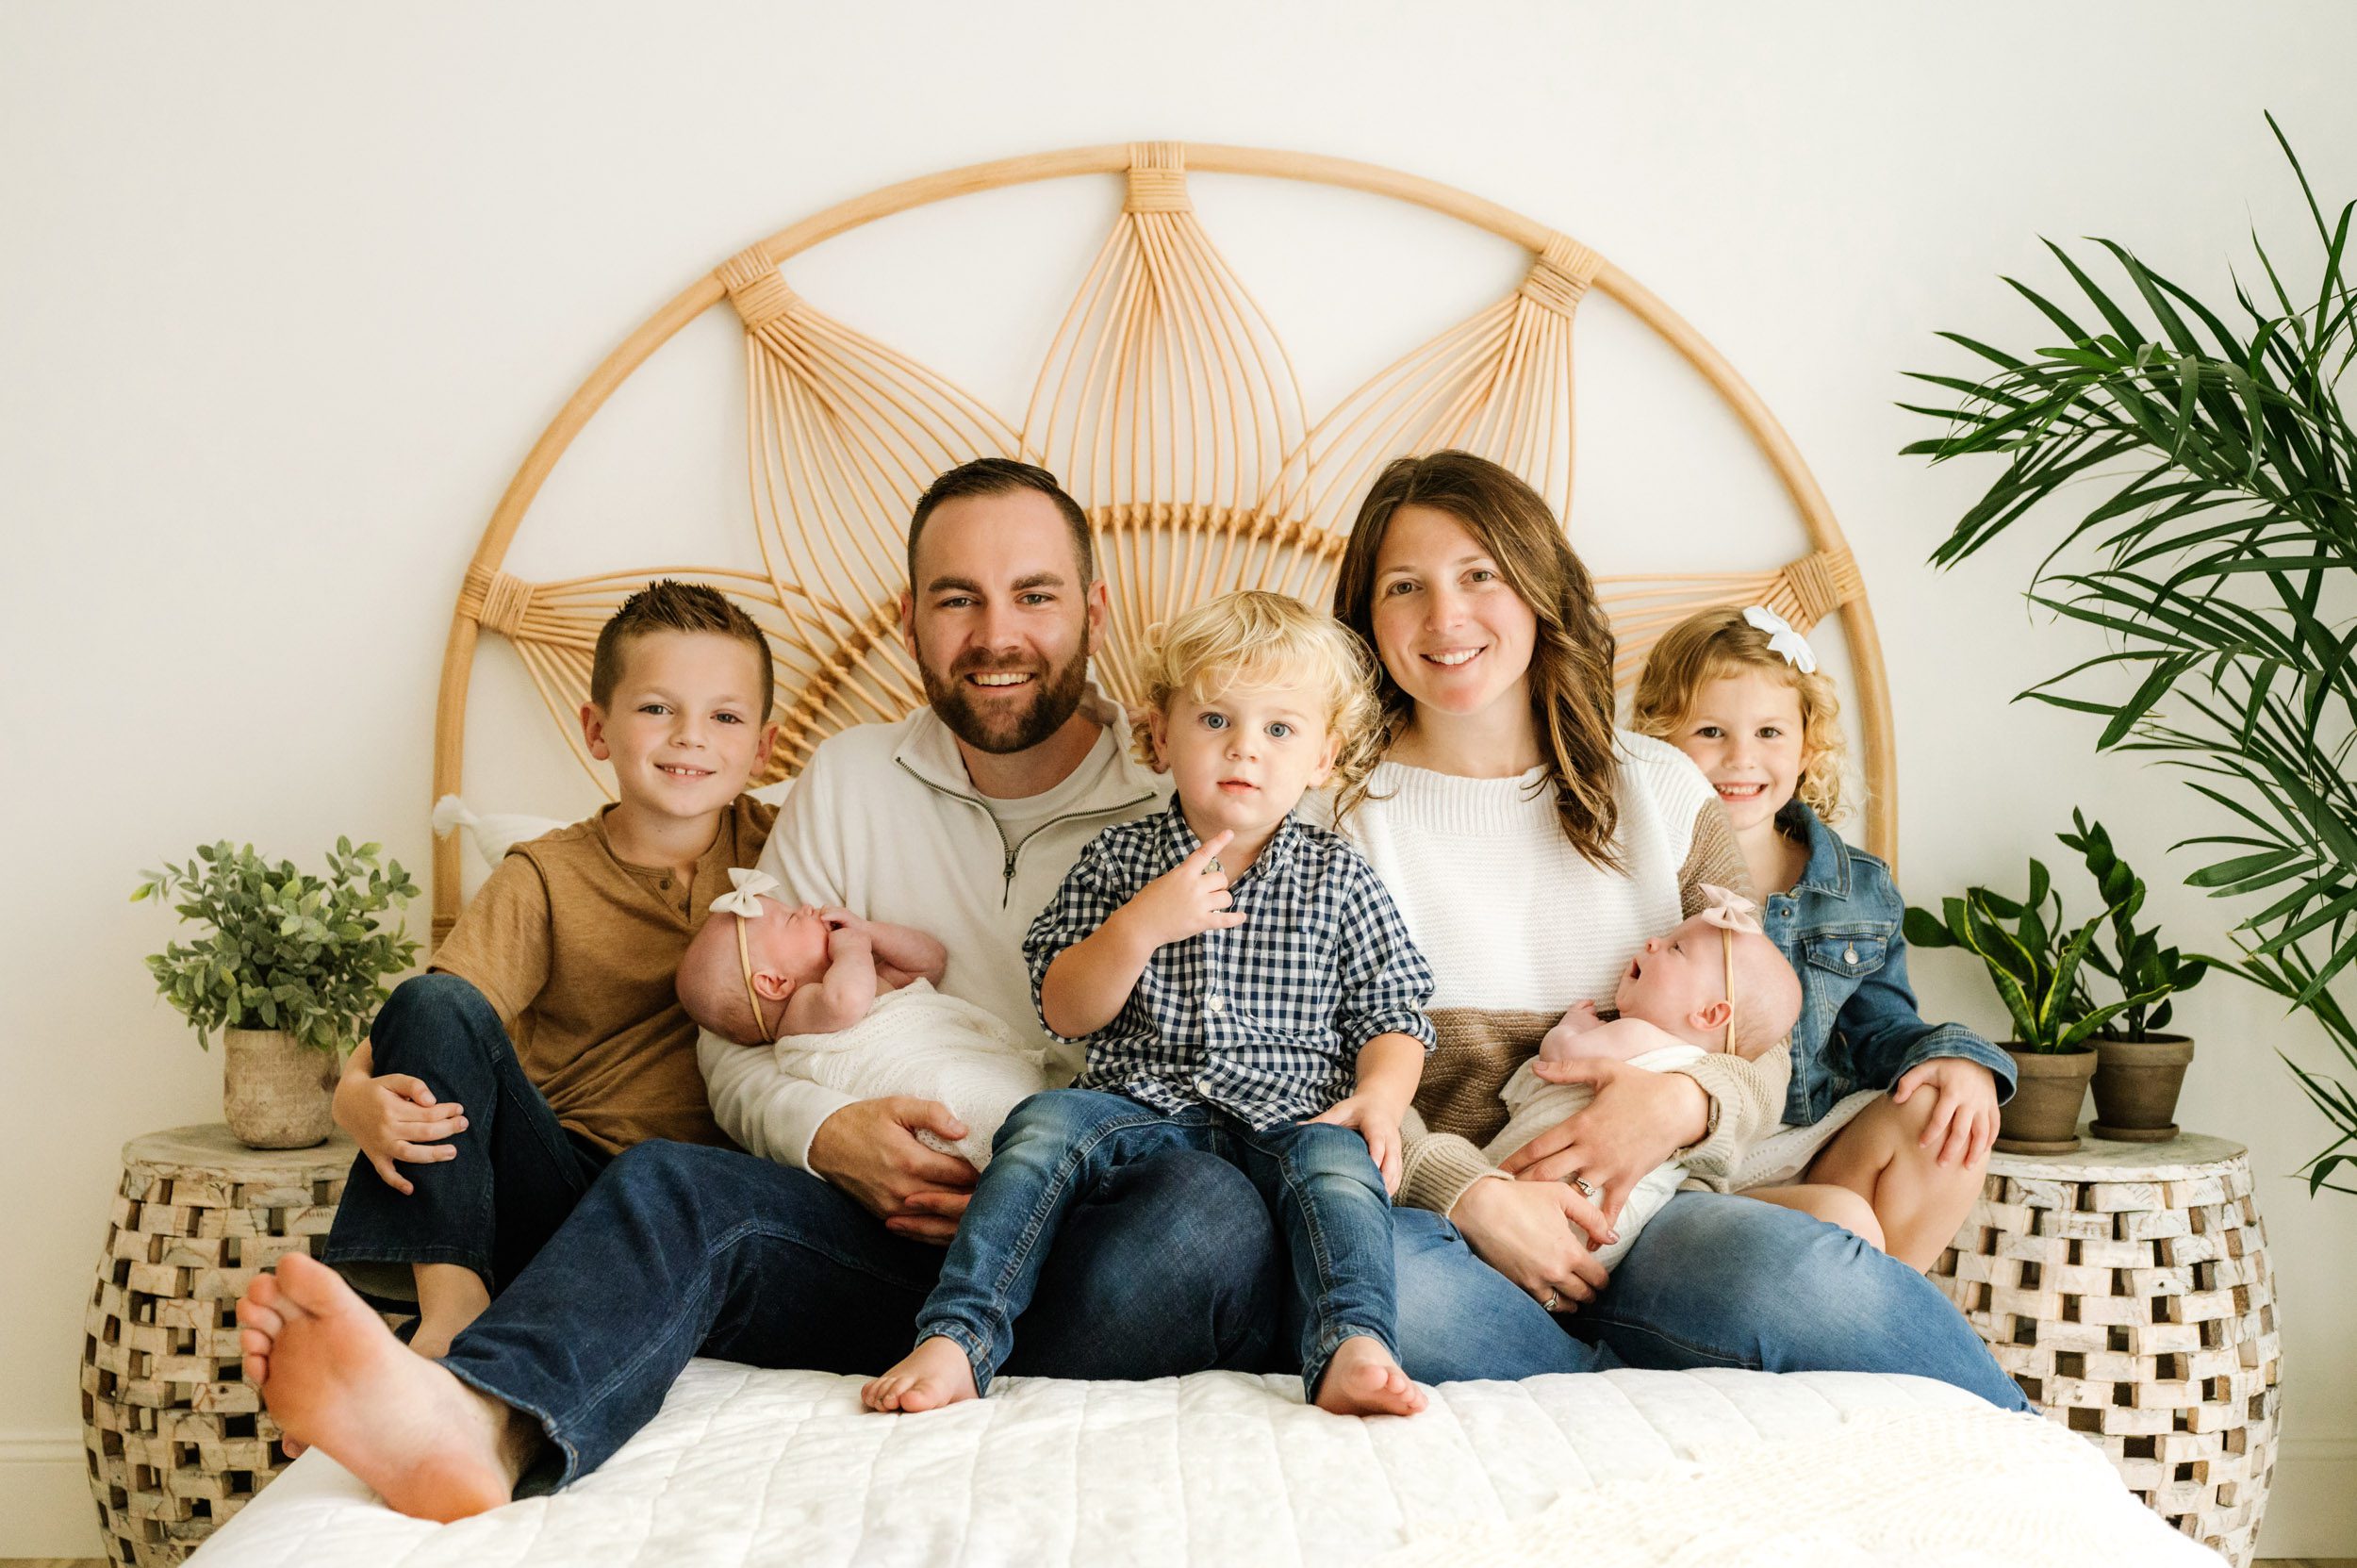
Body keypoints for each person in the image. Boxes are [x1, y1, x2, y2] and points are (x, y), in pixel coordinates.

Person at [235, 458, 1290, 1523]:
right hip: (881, 1250)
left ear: (1094, 611)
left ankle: (988, 1337)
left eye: (1035, 594)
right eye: (956, 597)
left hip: (1090, 1239)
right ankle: (476, 1418)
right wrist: (828, 1132)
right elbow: (733, 1033)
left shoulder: (1196, 785)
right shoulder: (847, 781)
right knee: (671, 1184)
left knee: (1208, 1219)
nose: (994, 632)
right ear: (913, 619)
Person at [1324, 450, 2027, 1411]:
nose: (1445, 619)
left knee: (1811, 1276)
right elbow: (1314, 1071)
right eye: (1404, 587)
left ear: (1539, 587)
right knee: (1387, 1293)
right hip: (1448, 1226)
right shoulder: (1334, 812)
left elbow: (1759, 1026)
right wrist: (1473, 1197)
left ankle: (2023, 1454)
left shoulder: (1659, 787)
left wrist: (1684, 1105)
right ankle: (1621, 1395)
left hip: (1658, 1218)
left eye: (1480, 575)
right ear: (1366, 617)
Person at [865, 592, 1436, 1418]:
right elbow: (1063, 1007)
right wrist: (1138, 928)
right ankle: (959, 1333)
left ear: (1324, 757)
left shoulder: (1339, 876)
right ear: (1161, 735)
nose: (1244, 748)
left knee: (1343, 1171)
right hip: (1142, 1105)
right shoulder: (1120, 857)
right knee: (1040, 1126)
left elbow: (1394, 1008)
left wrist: (1382, 1098)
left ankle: (1351, 1341)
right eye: (1214, 719)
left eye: (1280, 729)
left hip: (1289, 1111)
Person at [319, 581, 780, 1357]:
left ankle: (393, 1353)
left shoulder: (789, 850)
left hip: (703, 1202)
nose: (691, 737)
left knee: (682, 1187)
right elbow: (434, 1023)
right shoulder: (545, 875)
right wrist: (351, 1101)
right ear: (598, 728)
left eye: (725, 716)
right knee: (431, 1001)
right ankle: (451, 1302)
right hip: (560, 1187)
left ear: (764, 748)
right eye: (657, 708)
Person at [1630, 603, 2017, 1268]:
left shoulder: (1855, 888)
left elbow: (1882, 1030)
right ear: (1660, 740)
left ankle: (1876, 1321)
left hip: (1805, 1148)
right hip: (1680, 1165)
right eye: (1712, 730)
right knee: (1845, 1224)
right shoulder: (1637, 871)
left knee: (1942, 1114)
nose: (1741, 758)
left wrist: (1960, 1058)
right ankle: (1858, 1322)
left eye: (1770, 732)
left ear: (1808, 748)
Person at [1488, 890, 1804, 1269]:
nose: (1653, 942)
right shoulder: (1698, 1066)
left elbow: (1559, 1056)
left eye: (1676, 949)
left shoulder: (1637, 1034)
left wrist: (1569, 1028)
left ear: (1710, 1014)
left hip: (1534, 1194)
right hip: (1612, 1237)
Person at [679, 872, 1047, 1170]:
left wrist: (869, 933)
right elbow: (848, 1001)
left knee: (1033, 1125)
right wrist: (854, 948)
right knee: (1022, 1131)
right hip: (936, 1094)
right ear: (774, 984)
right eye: (793, 918)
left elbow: (930, 960)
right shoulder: (805, 1012)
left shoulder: (861, 979)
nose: (808, 907)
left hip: (967, 1063)